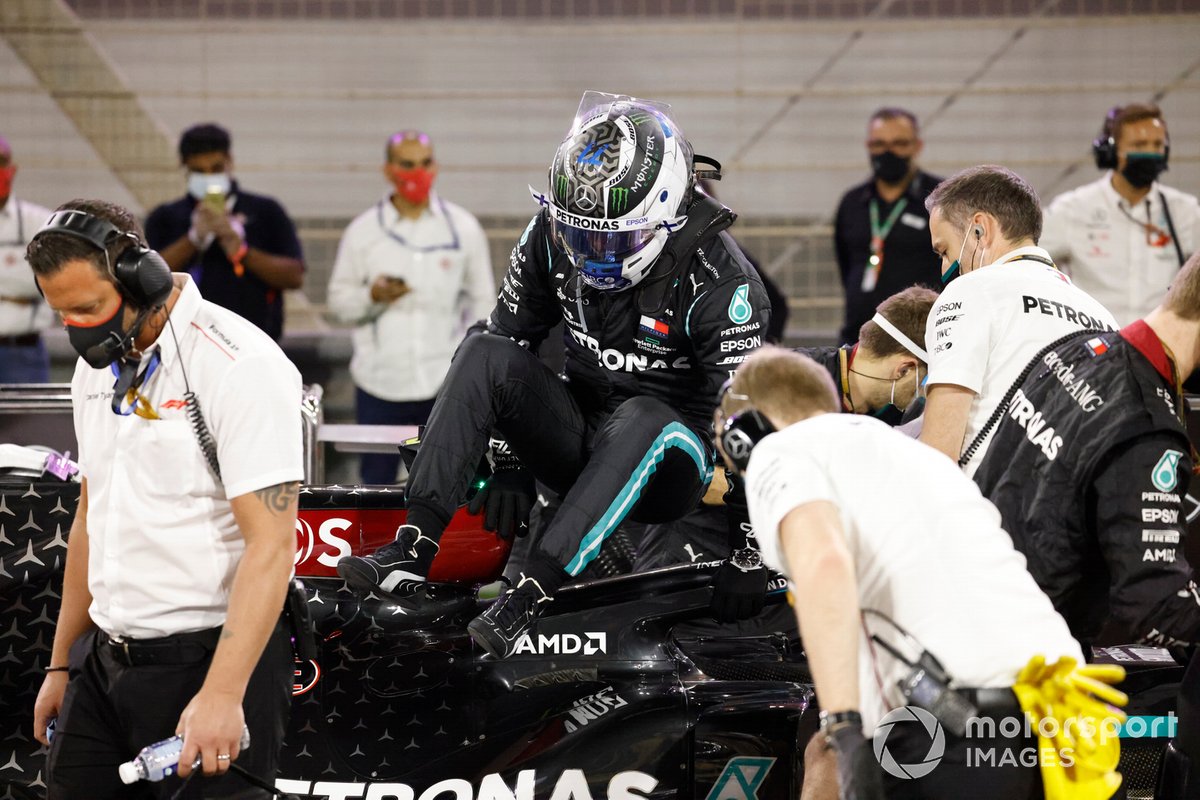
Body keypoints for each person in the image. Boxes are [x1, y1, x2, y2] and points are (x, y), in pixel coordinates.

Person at [336, 91, 772, 657]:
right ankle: (414, 547)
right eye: (581, 233)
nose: (593, 253)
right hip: (584, 435)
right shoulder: (548, 233)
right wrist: (510, 460)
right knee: (483, 349)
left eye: (612, 238)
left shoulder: (724, 282)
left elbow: (750, 425)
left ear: (666, 215)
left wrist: (750, 550)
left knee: (642, 416)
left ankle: (529, 593)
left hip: (673, 467)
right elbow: (511, 343)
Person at [721, 346, 1091, 800]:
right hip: (1065, 718)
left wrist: (843, 723)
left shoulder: (782, 450)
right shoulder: (920, 459)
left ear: (745, 430)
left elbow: (824, 563)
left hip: (958, 718)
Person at [27, 199, 303, 798]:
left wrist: (224, 694)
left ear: (141, 275)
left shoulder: (240, 364)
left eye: (88, 308)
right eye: (62, 314)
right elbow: (90, 517)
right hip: (103, 664)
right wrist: (59, 664)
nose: (77, 329)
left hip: (209, 665)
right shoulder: (94, 371)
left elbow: (272, 545)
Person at [919, 164, 1118, 475]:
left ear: (979, 229)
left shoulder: (969, 291)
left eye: (944, 251)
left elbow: (937, 455)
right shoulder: (1104, 318)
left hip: (989, 511)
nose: (946, 268)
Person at [327, 130, 495, 484]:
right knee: (377, 484)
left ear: (435, 166)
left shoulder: (463, 229)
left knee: (446, 481)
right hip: (379, 382)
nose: (416, 174)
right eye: (407, 165)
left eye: (424, 163)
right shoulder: (363, 232)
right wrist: (372, 297)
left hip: (443, 382)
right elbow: (339, 304)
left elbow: (484, 305)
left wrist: (469, 366)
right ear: (388, 169)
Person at [1041, 103, 1198, 326]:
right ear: (1110, 152)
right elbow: (1021, 255)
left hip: (1161, 349)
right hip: (1093, 346)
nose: (1150, 153)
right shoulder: (1073, 209)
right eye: (1139, 145)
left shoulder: (1185, 212)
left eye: (1157, 145)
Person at [145, 123, 305, 341]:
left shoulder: (265, 211)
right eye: (199, 172)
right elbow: (148, 279)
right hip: (184, 342)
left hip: (254, 339)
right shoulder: (165, 217)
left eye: (216, 168)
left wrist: (242, 251)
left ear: (230, 161)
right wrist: (193, 239)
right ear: (185, 168)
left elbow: (295, 275)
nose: (209, 177)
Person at [833, 108, 942, 345]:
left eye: (899, 143)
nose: (888, 152)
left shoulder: (940, 200)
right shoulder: (852, 202)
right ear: (868, 146)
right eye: (879, 144)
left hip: (921, 338)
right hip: (859, 337)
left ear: (917, 146)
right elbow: (845, 264)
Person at [0, 135, 53, 382]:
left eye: (1, 162)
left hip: (23, 356)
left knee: (29, 421)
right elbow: (33, 279)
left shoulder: (41, 222)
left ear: (12, 168)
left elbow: (51, 281)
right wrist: (19, 277)